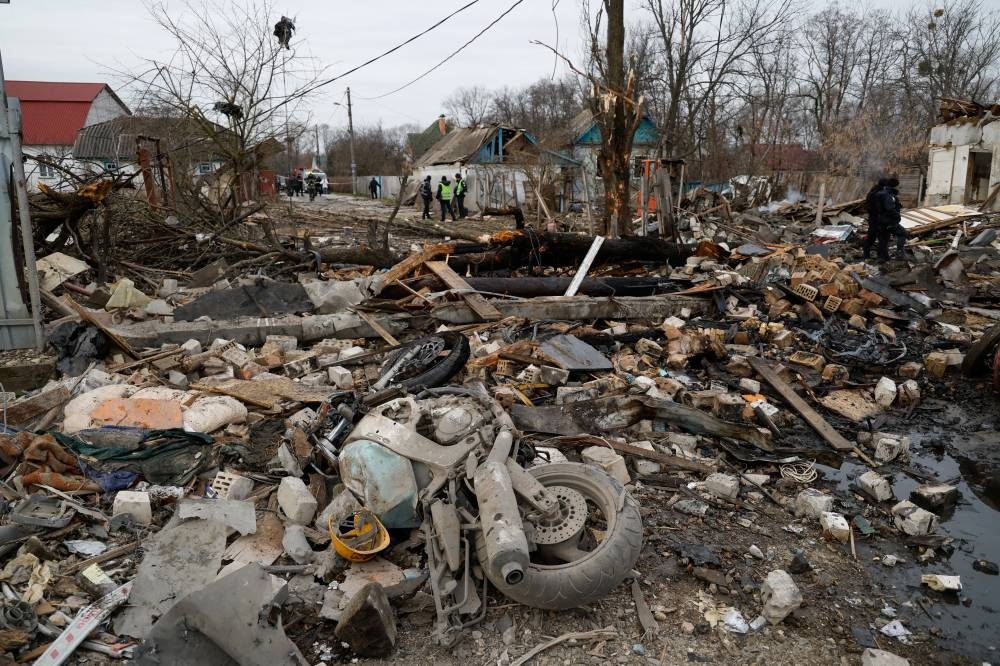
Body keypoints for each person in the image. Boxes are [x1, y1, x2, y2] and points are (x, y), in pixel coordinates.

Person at [875, 176, 906, 261]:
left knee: (884, 238)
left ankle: (882, 257)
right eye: (898, 186)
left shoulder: (880, 193)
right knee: (902, 233)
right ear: (895, 186)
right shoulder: (888, 195)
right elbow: (889, 208)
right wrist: (897, 216)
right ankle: (900, 254)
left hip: (881, 220)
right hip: (889, 221)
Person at [863, 177, 887, 260]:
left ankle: (867, 256)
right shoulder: (880, 194)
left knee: (872, 237)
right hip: (878, 219)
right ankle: (881, 256)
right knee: (881, 238)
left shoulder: (872, 192)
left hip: (872, 218)